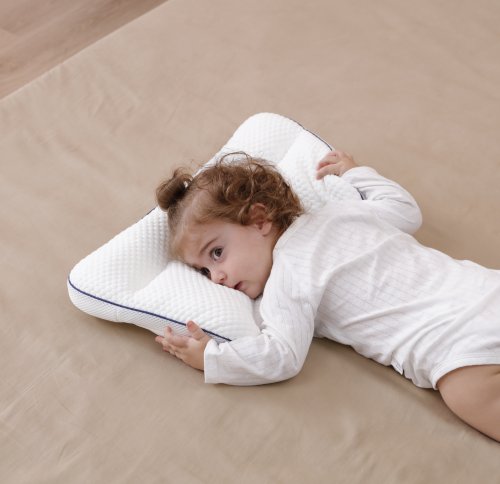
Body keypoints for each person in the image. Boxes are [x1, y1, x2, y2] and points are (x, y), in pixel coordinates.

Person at [154, 150, 500, 441]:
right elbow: (405, 211)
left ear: (259, 220)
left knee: (466, 395)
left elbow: (281, 355)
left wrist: (213, 358)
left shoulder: (288, 274)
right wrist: (356, 173)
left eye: (216, 253)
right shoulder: (337, 212)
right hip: (484, 286)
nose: (216, 278)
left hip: (449, 342)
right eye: (204, 271)